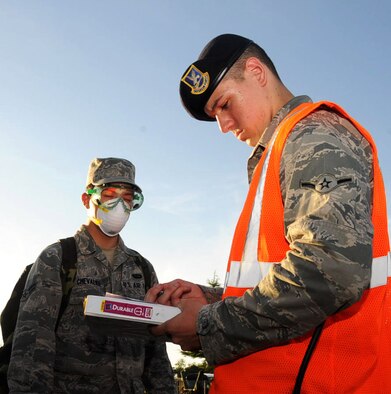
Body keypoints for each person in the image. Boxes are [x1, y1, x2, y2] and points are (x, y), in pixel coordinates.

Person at [146, 34, 391, 393]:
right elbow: (287, 273)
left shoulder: (313, 137)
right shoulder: (282, 149)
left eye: (225, 104)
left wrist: (205, 324)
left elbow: (331, 271)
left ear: (256, 71)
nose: (225, 126)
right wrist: (210, 297)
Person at [8, 157, 177, 393]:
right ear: (87, 199)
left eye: (128, 198)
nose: (120, 206)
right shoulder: (59, 258)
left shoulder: (142, 269)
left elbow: (156, 355)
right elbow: (32, 348)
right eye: (109, 195)